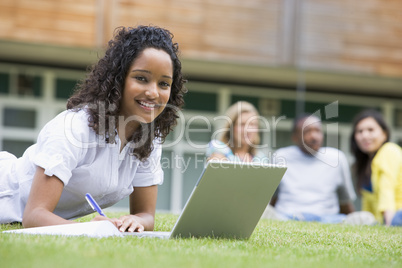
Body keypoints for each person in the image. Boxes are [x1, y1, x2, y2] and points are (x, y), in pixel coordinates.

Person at [0, 25, 187, 232]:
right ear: (118, 79)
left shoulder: (148, 138)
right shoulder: (74, 129)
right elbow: (34, 216)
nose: (153, 92)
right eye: (141, 78)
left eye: (164, 84)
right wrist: (90, 230)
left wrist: (135, 222)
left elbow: (146, 216)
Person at [264, 113, 375, 225]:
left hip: (328, 219)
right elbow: (272, 198)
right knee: (265, 212)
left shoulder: (337, 158)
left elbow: (345, 202)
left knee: (366, 218)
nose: (314, 136)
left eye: (317, 131)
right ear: (295, 137)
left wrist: (354, 219)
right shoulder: (280, 157)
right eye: (307, 131)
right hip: (286, 216)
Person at [350, 109, 402, 226]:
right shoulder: (366, 164)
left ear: (384, 134)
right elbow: (368, 208)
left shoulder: (389, 150)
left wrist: (389, 225)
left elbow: (387, 189)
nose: (365, 135)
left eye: (371, 130)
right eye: (360, 131)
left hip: (396, 215)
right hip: (383, 220)